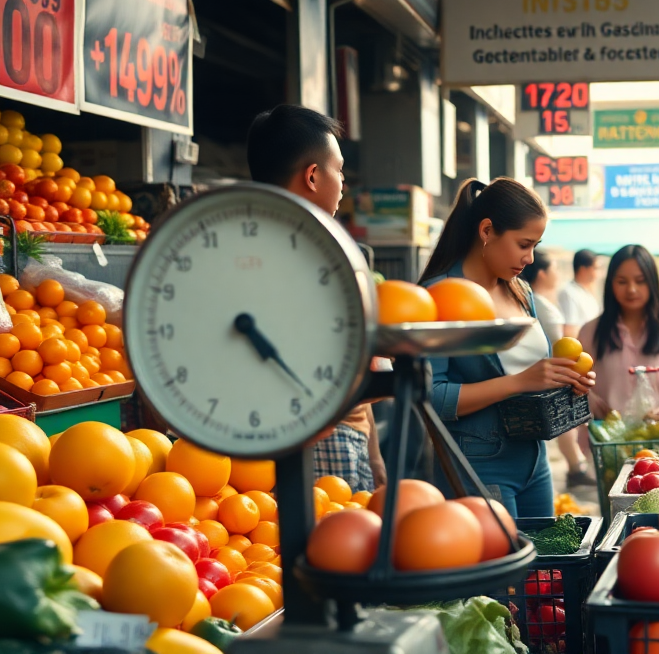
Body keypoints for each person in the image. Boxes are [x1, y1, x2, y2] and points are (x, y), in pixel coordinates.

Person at [419, 178, 594, 517]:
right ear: (487, 230)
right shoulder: (440, 296)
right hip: (478, 464)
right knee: (504, 567)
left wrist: (565, 379)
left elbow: (535, 372)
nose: (530, 258)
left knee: (542, 568)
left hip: (534, 460)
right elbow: (431, 397)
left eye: (535, 246)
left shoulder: (520, 291)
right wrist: (521, 382)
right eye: (523, 244)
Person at [246, 105, 385, 493]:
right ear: (312, 176)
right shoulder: (310, 254)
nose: (343, 182)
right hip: (325, 437)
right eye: (339, 170)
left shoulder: (255, 244)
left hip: (343, 431)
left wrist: (373, 452)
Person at [580, 245, 659, 421]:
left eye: (640, 280)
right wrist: (590, 401)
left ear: (652, 282)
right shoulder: (591, 332)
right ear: (610, 284)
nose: (632, 289)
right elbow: (575, 385)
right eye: (622, 281)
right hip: (607, 442)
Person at [519, 250, 593, 488]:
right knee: (564, 424)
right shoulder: (534, 302)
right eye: (553, 268)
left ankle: (575, 466)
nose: (557, 273)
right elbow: (561, 342)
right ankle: (574, 467)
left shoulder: (536, 300)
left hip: (559, 373)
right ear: (541, 274)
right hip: (552, 377)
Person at [559, 249, 601, 333]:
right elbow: (570, 330)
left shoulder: (585, 291)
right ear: (583, 269)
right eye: (595, 268)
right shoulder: (569, 293)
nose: (599, 273)